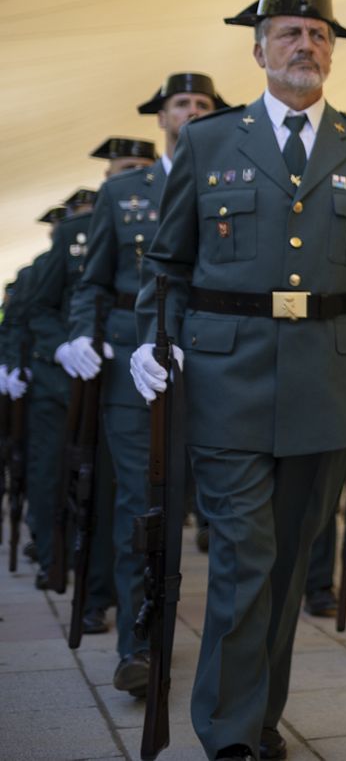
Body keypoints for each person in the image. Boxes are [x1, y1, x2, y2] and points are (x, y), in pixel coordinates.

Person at [129, 0, 346, 761]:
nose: (306, 45)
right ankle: (228, 731)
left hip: (328, 384)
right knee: (242, 555)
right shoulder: (208, 143)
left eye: (320, 34)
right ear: (258, 50)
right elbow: (166, 263)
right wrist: (148, 339)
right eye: (289, 33)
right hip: (229, 378)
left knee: (292, 564)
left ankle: (262, 717)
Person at [64, 75, 224, 695]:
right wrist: (82, 333)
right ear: (161, 117)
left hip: (212, 363)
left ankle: (224, 647)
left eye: (203, 105)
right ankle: (141, 642)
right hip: (138, 368)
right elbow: (93, 282)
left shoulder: (232, 176)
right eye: (181, 103)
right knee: (142, 504)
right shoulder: (124, 191)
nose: (191, 112)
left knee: (214, 511)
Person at [15, 185, 101, 594]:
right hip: (53, 382)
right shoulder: (48, 262)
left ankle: (100, 576)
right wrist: (56, 350)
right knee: (49, 472)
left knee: (101, 483)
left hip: (105, 383)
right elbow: (29, 314)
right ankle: (51, 558)